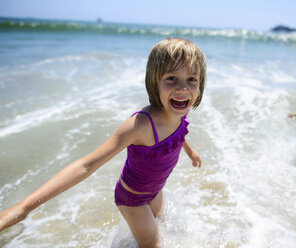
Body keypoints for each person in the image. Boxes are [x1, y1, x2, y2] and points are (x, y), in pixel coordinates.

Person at [0, 37, 206, 248]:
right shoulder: (141, 126)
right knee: (153, 244)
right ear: (154, 82)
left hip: (155, 190)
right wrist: (23, 207)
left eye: (192, 79)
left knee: (164, 223)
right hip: (133, 199)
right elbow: (85, 165)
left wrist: (190, 152)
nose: (183, 88)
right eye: (172, 78)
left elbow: (178, 133)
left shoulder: (180, 109)